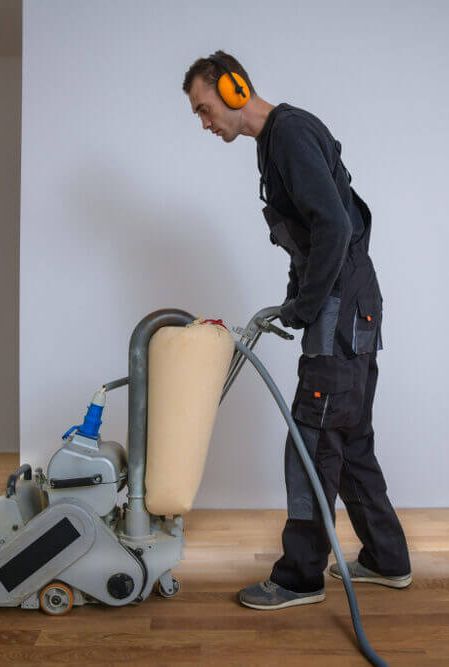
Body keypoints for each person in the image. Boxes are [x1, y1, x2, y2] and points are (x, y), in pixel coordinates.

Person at [182, 51, 413, 610]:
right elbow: (310, 237)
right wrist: (295, 301)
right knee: (347, 436)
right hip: (348, 303)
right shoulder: (274, 144)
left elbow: (334, 225)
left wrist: (307, 306)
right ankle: (387, 558)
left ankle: (300, 577)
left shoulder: (288, 135)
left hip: (341, 306)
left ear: (234, 90)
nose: (205, 123)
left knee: (312, 437)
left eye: (205, 108)